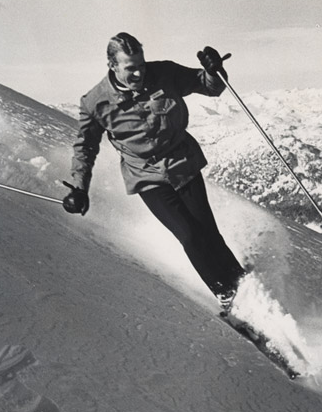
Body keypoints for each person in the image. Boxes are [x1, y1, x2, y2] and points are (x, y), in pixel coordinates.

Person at [62, 32, 245, 312]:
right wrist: (79, 187)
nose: (138, 72)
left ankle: (243, 285)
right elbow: (85, 147)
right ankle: (227, 296)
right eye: (130, 67)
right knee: (189, 235)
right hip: (146, 176)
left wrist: (213, 70)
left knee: (208, 232)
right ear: (112, 65)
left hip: (183, 162)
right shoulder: (95, 102)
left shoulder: (165, 73)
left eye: (141, 65)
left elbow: (210, 87)